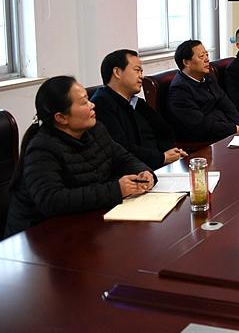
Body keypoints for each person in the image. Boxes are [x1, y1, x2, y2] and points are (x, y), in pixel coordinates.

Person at [5, 76, 155, 237]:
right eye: (84, 103)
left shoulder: (96, 130)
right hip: (40, 237)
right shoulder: (42, 149)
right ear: (61, 117)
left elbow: (124, 158)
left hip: (86, 225)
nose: (92, 105)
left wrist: (144, 172)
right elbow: (52, 200)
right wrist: (116, 190)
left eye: (88, 99)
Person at [92, 49, 186, 170]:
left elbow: (164, 132)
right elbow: (121, 148)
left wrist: (171, 153)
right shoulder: (102, 104)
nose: (141, 76)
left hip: (156, 165)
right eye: (137, 70)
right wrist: (161, 157)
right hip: (133, 172)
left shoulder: (137, 103)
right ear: (117, 72)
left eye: (141, 71)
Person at [167, 40, 239, 142]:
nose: (207, 59)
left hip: (225, 131)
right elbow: (200, 125)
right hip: (202, 141)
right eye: (201, 56)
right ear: (186, 62)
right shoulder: (179, 90)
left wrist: (237, 124)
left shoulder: (208, 77)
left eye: (207, 55)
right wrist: (233, 128)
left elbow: (227, 104)